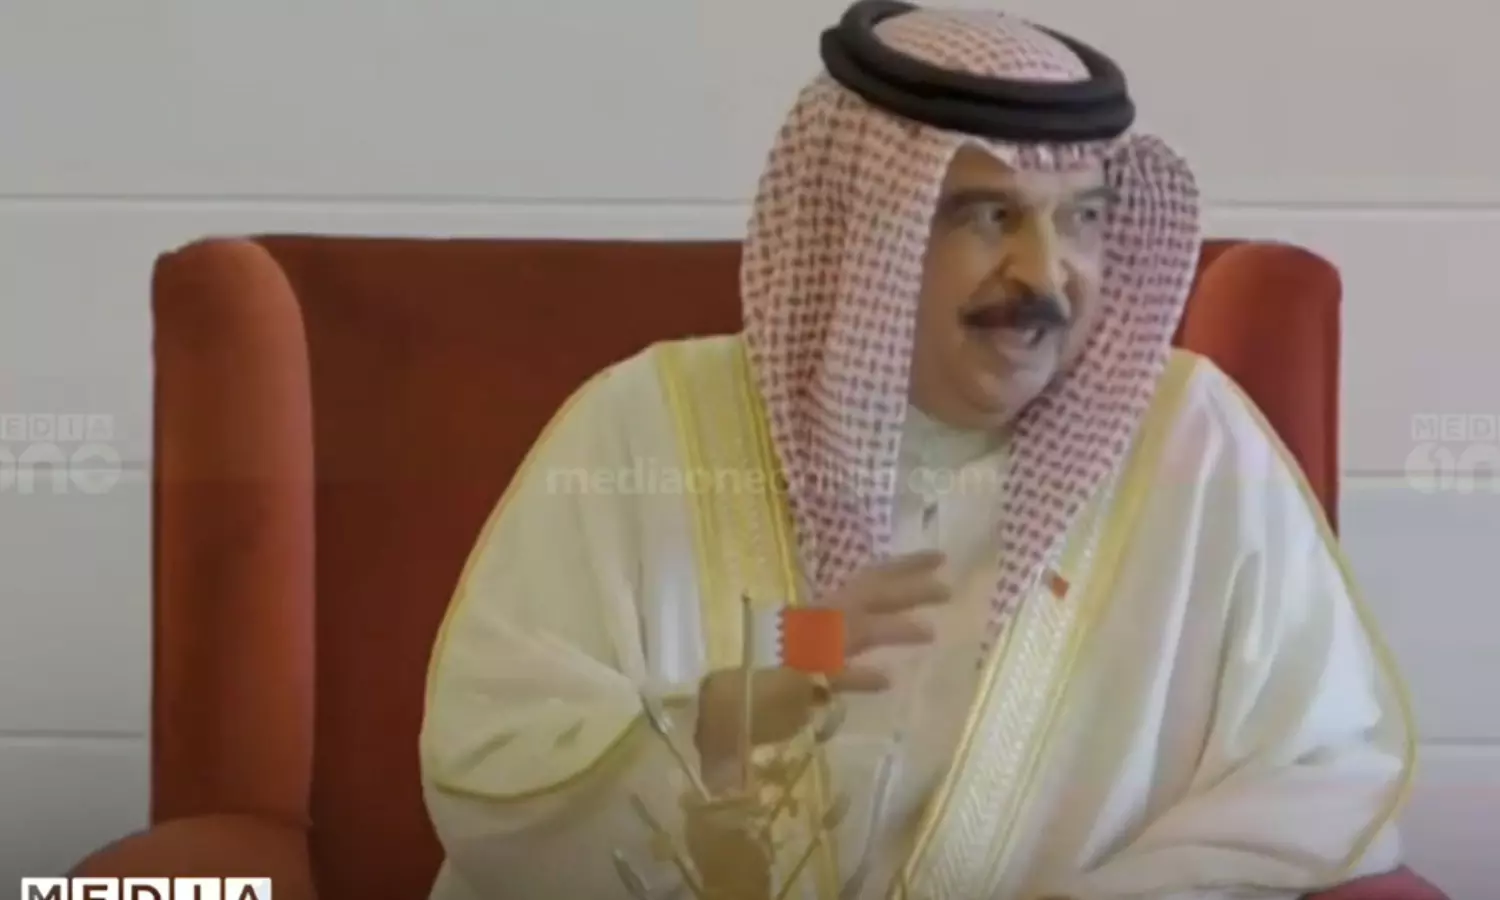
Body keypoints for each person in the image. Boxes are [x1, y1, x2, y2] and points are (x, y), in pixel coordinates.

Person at [418, 3, 1426, 898]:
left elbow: (1322, 769)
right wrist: (731, 710)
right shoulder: (648, 425)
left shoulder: (1193, 447)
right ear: (865, 227)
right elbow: (491, 760)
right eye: (988, 216)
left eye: (1082, 219)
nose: (1046, 275)